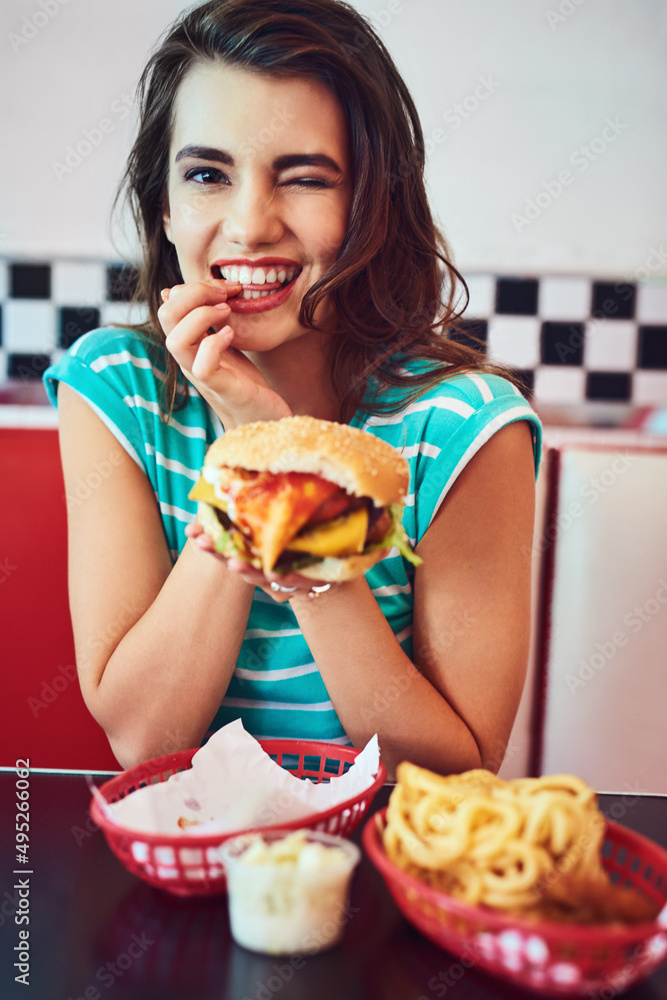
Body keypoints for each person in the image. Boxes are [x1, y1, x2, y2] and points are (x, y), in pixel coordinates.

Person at [44, 0, 541, 777]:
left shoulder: (464, 428)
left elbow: (455, 770)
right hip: (185, 865)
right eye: (207, 174)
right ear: (166, 208)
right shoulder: (115, 388)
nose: (249, 224)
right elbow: (145, 740)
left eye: (304, 178)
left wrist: (286, 473)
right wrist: (252, 457)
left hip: (380, 876)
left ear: (371, 205)